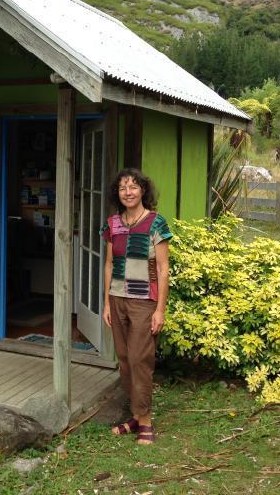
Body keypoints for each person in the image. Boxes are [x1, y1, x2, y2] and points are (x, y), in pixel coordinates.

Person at [100, 168, 172, 446]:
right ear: (117, 194)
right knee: (125, 359)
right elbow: (109, 264)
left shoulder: (156, 223)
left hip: (145, 301)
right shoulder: (112, 224)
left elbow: (164, 269)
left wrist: (160, 310)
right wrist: (106, 302)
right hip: (117, 299)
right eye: (122, 188)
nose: (128, 192)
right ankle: (136, 413)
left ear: (143, 190)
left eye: (133, 186)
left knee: (140, 359)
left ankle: (145, 421)